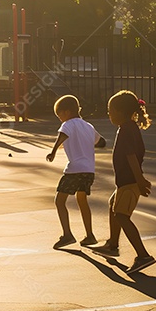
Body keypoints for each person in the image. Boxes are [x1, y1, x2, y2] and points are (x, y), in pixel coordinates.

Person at [98, 90, 155, 274]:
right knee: (112, 205)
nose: (109, 114)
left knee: (122, 216)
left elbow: (131, 156)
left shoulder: (127, 129)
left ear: (121, 112)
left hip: (130, 182)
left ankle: (143, 256)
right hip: (125, 182)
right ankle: (113, 244)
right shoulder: (128, 127)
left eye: (111, 111)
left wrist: (139, 180)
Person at [46, 94, 105, 249]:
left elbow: (62, 135)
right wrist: (86, 142)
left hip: (74, 170)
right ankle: (90, 235)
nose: (59, 118)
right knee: (82, 201)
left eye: (59, 114)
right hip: (89, 171)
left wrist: (53, 151)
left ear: (66, 112)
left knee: (59, 201)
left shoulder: (68, 124)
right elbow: (101, 142)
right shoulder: (88, 126)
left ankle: (67, 235)